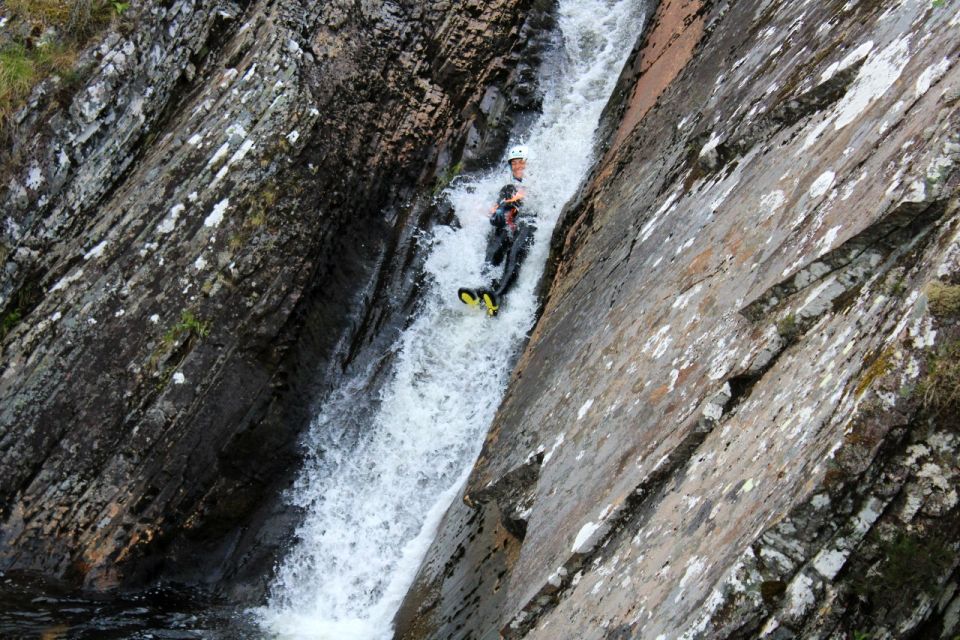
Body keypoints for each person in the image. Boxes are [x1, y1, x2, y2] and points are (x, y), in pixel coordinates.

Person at [459, 145, 534, 316]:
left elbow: (525, 198)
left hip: (531, 223)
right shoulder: (507, 187)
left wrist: (508, 205)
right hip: (512, 223)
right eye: (513, 163)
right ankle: (483, 288)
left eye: (520, 162)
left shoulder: (537, 182)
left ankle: (498, 295)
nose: (517, 166)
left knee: (515, 253)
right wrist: (497, 212)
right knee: (495, 247)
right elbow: (499, 206)